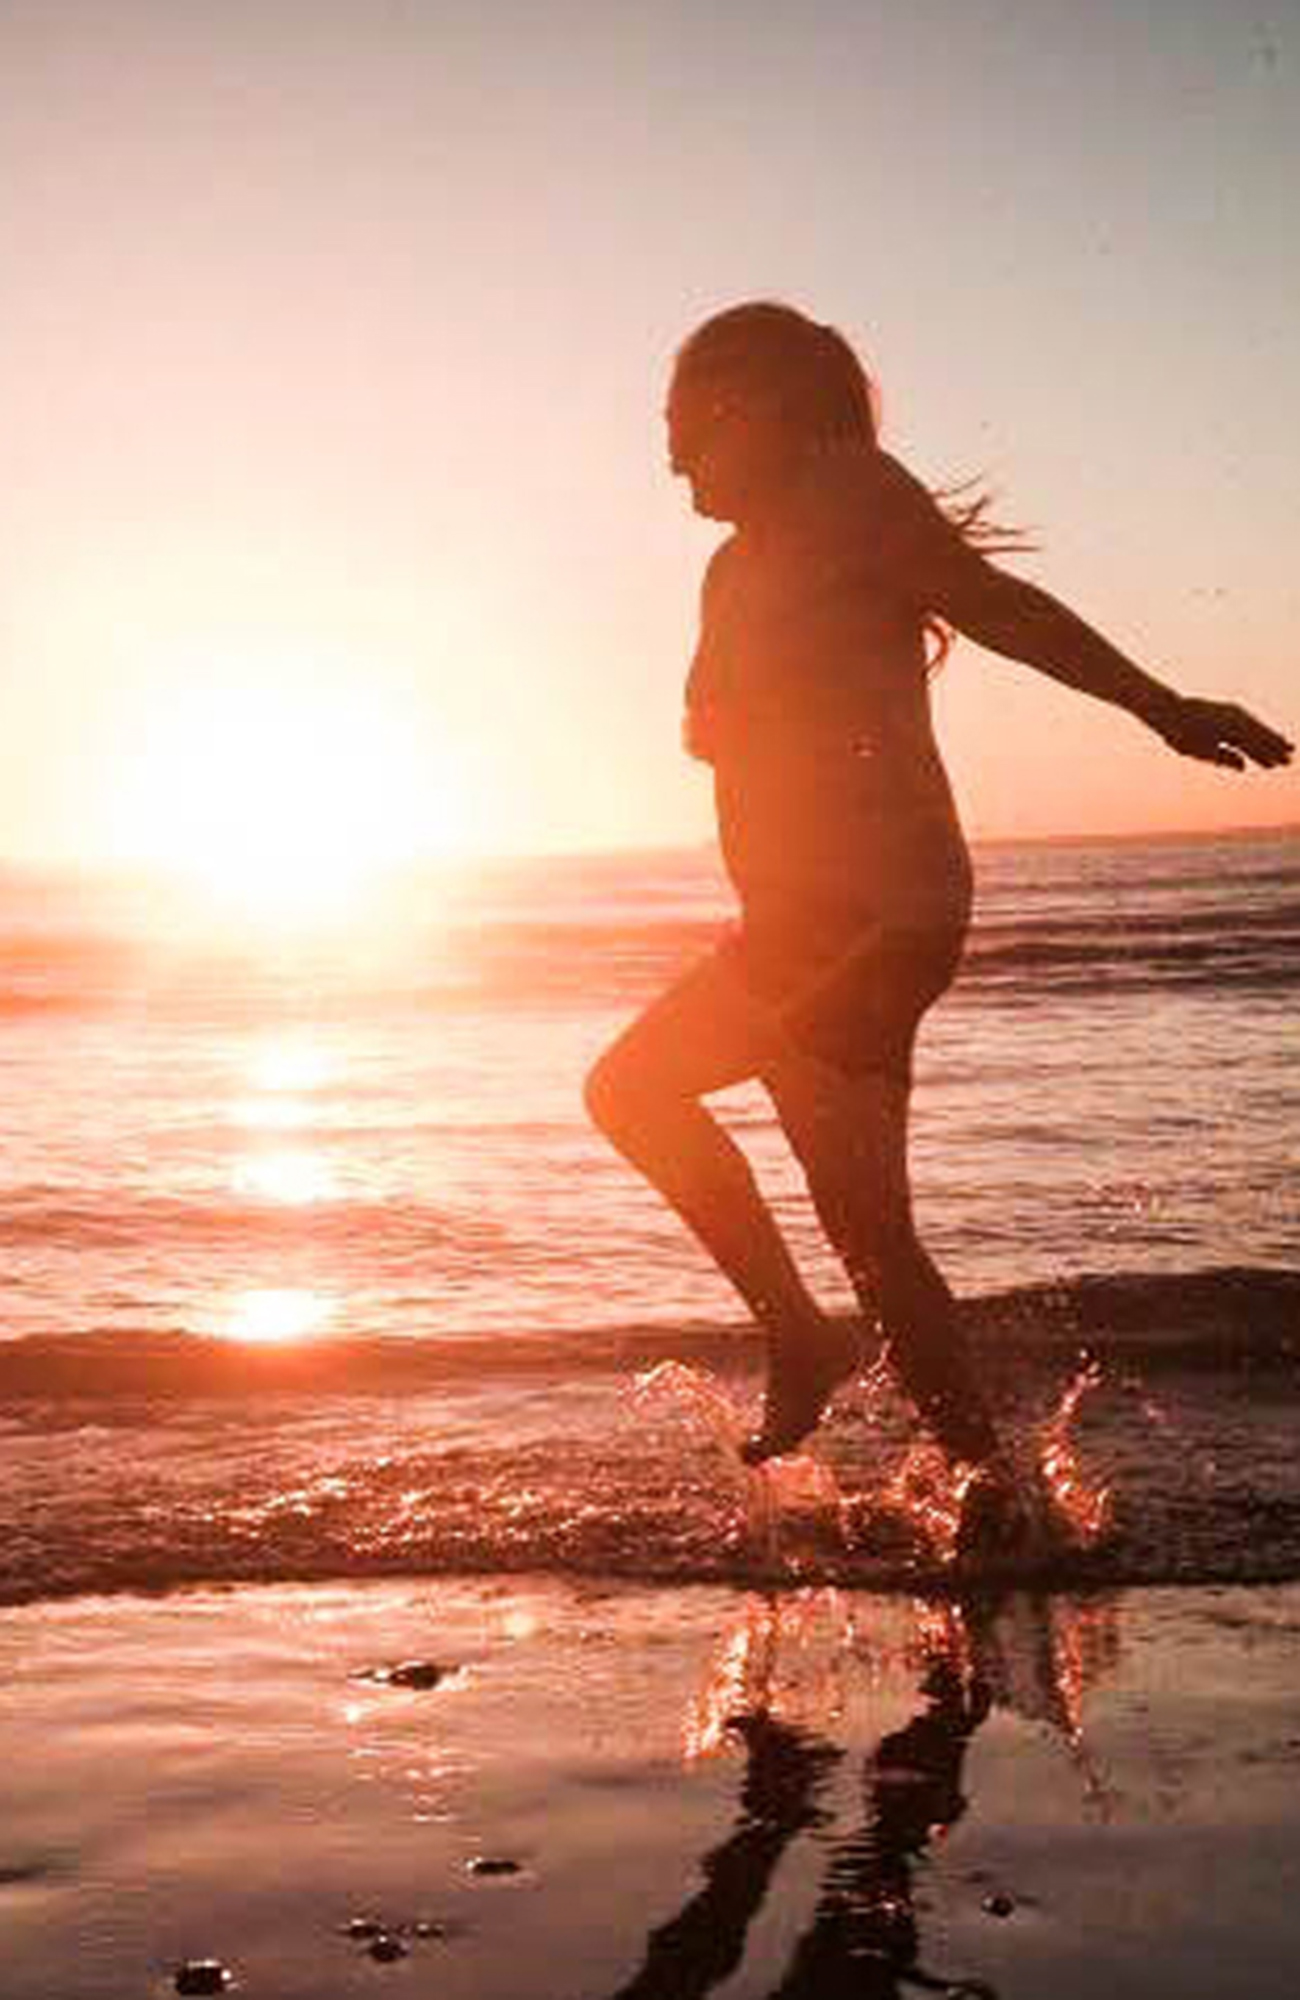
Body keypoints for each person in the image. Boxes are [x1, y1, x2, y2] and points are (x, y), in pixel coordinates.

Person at [584, 300, 1292, 1546]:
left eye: (683, 425)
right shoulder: (732, 561)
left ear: (751, 405)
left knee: (694, 1122)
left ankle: (852, 1375)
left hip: (875, 909)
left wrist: (1158, 703)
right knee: (826, 1202)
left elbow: (998, 604)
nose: (670, 458)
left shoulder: (847, 491)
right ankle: (981, 1481)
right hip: (797, 920)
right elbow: (719, 714)